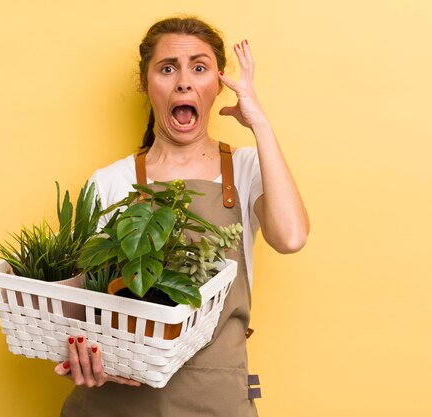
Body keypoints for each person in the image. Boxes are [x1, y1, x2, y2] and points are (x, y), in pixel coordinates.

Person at [55, 16, 309, 416]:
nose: (184, 82)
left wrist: (260, 121)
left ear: (219, 82)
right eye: (168, 68)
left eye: (200, 67)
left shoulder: (245, 169)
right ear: (145, 83)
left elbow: (291, 237)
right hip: (115, 403)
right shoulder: (110, 181)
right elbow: (77, 303)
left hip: (216, 400)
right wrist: (79, 355)